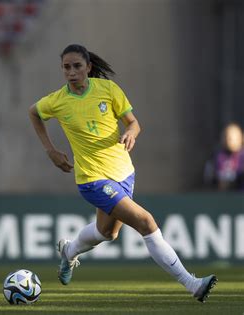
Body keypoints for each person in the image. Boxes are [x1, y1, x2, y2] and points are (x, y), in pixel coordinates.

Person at [28, 44, 217, 303]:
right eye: (66, 67)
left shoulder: (108, 90)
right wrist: (51, 150)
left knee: (107, 233)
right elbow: (34, 112)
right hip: (93, 179)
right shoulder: (57, 101)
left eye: (77, 66)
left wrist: (131, 133)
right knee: (146, 222)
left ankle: (69, 251)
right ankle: (192, 283)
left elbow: (134, 122)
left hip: (124, 172)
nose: (71, 72)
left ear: (88, 67)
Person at [205, 123, 244, 191]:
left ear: (241, 137)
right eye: (226, 136)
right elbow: (209, 178)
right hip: (221, 197)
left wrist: (233, 183)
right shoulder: (216, 156)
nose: (228, 139)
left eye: (232, 137)